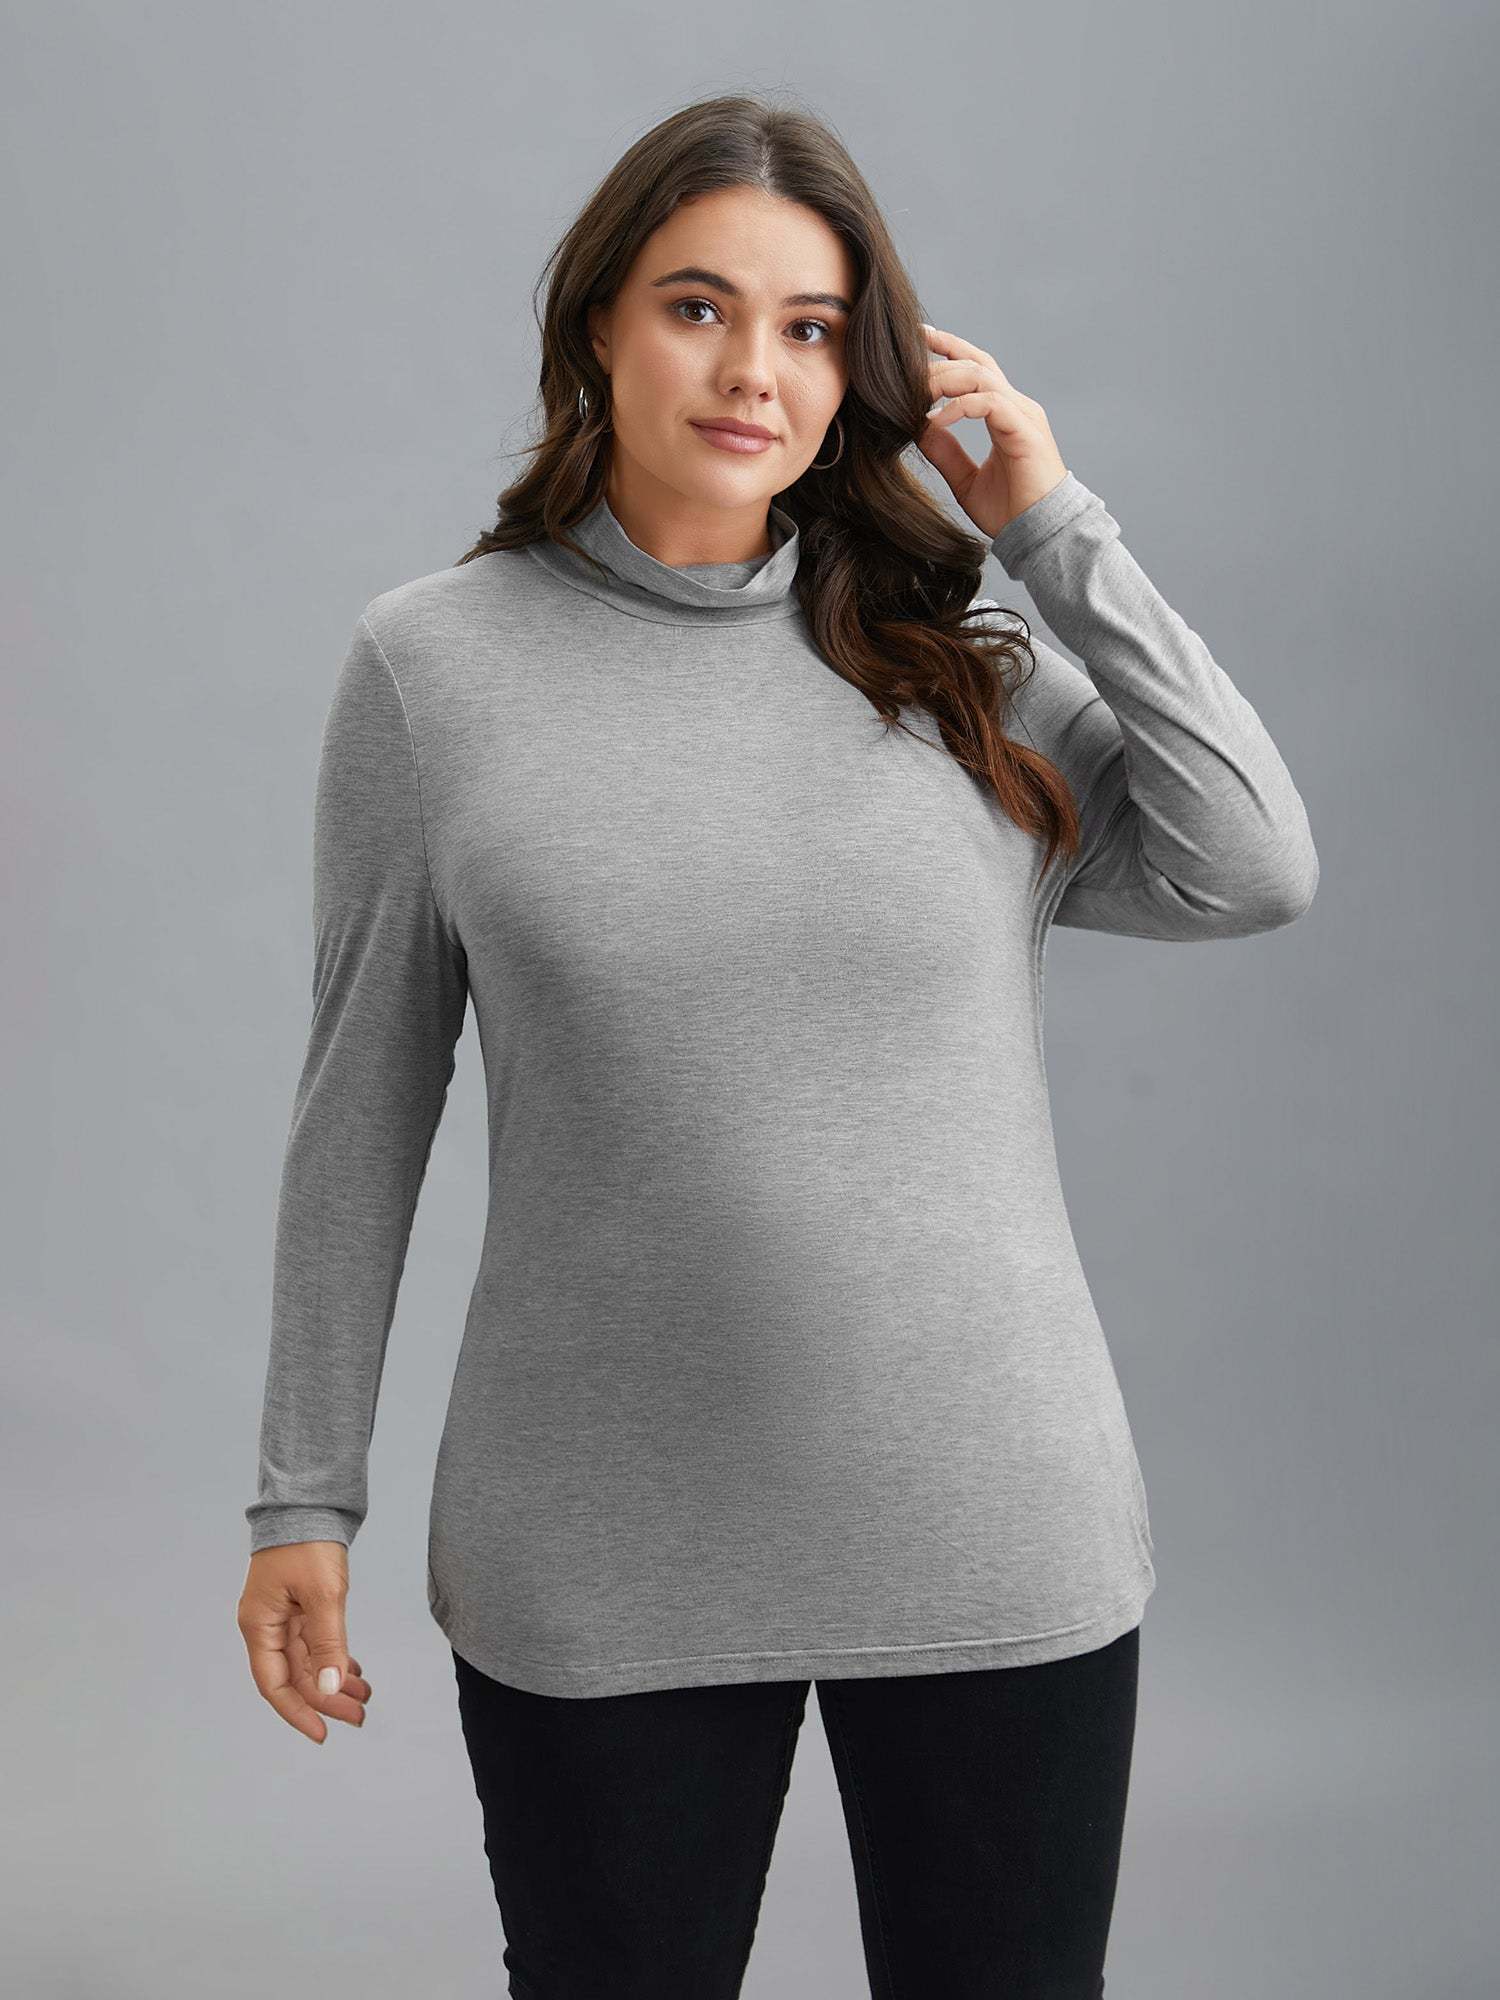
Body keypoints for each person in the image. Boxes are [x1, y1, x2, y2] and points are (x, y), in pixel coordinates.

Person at [236, 93, 1318, 1998]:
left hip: (991, 1518)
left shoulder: (958, 658)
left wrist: (1052, 528)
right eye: (699, 307)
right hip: (603, 1540)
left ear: (862, 369)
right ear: (598, 323)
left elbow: (1251, 864)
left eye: (813, 328)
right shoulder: (434, 669)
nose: (756, 372)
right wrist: (303, 1496)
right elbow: (360, 1110)